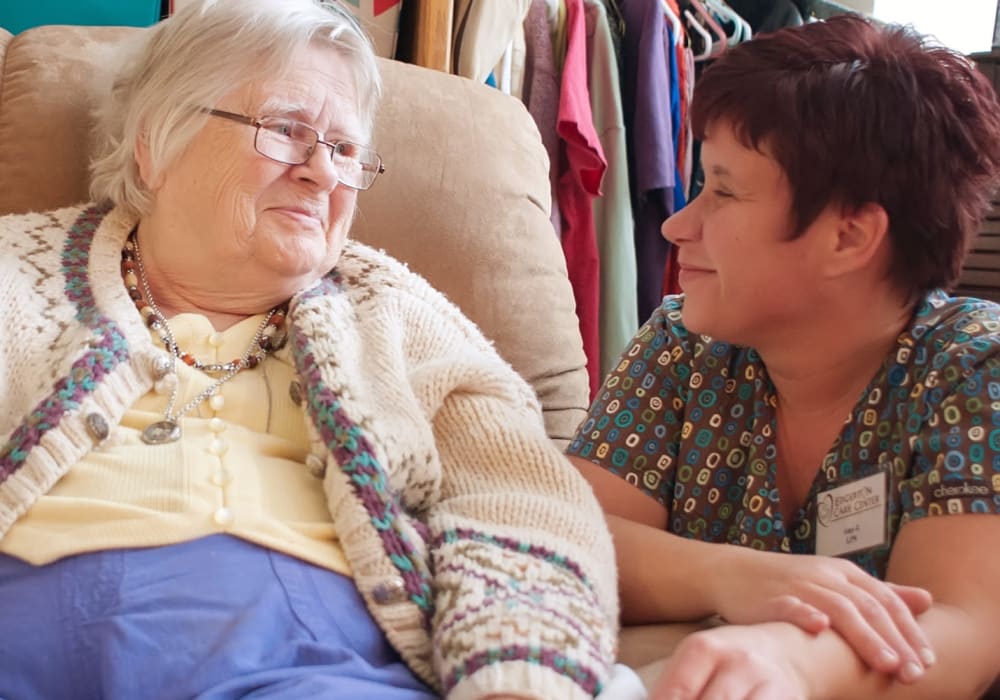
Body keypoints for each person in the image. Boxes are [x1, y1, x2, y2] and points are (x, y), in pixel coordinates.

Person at [0, 1, 619, 698]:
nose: (322, 174)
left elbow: (521, 502)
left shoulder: (398, 315)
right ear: (157, 140)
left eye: (346, 150)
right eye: (287, 131)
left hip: (306, 669)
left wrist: (518, 677)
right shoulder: (14, 275)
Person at [567, 14, 1000, 700]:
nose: (678, 224)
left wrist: (795, 663)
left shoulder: (974, 366)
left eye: (724, 190)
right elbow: (564, 535)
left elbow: (964, 627)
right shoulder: (684, 342)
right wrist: (732, 575)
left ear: (849, 236)